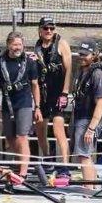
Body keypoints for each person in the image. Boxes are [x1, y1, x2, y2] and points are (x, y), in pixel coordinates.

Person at [0, 31, 42, 178]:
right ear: (8, 45)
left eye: (20, 44)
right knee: (10, 137)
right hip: (7, 104)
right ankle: (20, 163)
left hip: (24, 103)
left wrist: (37, 107)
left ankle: (23, 173)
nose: (17, 47)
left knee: (22, 137)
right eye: (14, 45)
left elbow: (35, 85)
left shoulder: (30, 63)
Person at [32, 16, 71, 175]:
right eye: (46, 28)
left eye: (51, 28)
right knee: (40, 128)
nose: (49, 31)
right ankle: (48, 159)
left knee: (58, 130)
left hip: (58, 92)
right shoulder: (37, 46)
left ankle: (65, 165)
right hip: (43, 93)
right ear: (40, 30)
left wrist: (65, 92)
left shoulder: (62, 44)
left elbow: (69, 70)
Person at [70, 40, 102, 183]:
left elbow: (101, 102)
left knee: (84, 155)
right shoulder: (83, 70)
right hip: (80, 116)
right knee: (85, 156)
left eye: (86, 55)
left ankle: (89, 189)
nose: (82, 57)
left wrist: (91, 128)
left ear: (94, 55)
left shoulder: (97, 74)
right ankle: (90, 186)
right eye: (81, 54)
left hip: (88, 120)